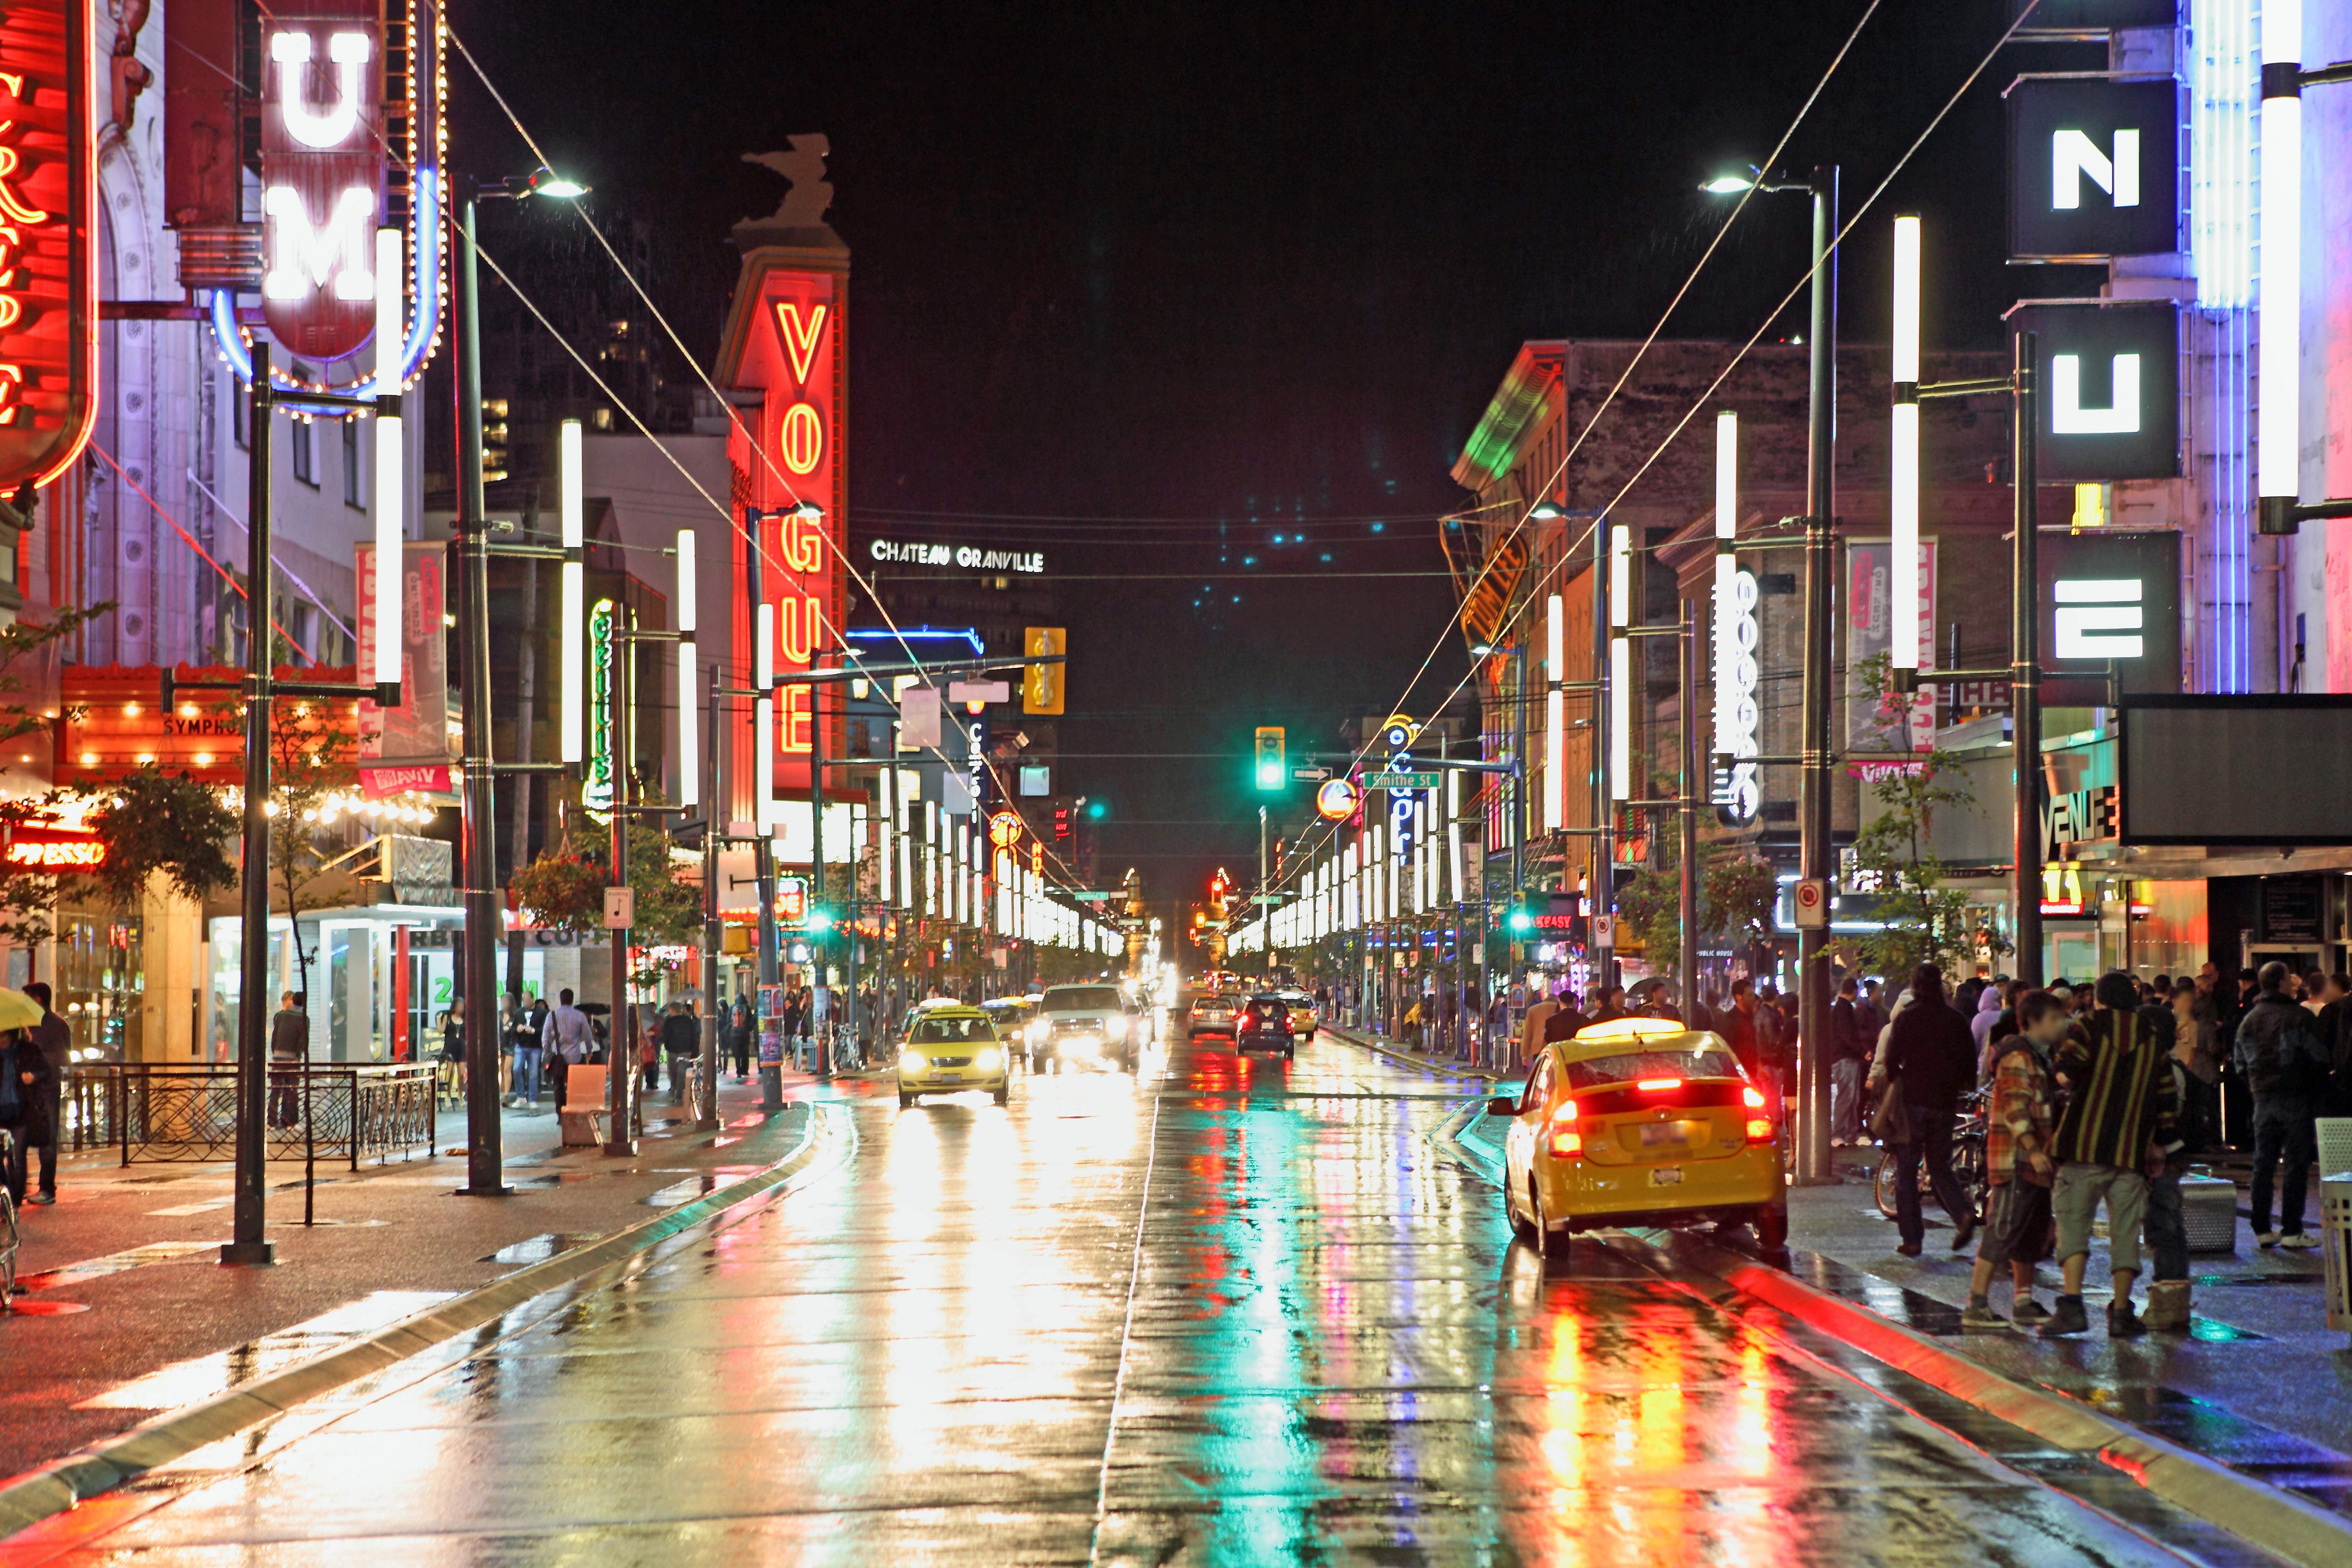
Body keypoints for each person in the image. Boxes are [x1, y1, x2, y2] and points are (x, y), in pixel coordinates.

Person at [2041, 970, 2182, 1339]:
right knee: (2125, 1231)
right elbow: (2166, 1096)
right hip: (2131, 1149)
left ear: (2099, 999)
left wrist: (2065, 1083)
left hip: (2083, 1146)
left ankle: (2072, 1305)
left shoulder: (2088, 1027)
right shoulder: (2151, 1035)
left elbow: (2067, 1070)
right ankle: (2121, 1312)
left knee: (2074, 1222)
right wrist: (2159, 1142)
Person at [1963, 988, 2068, 1330]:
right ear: (2033, 1022)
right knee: (2003, 1228)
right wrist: (2034, 1149)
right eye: (2054, 1019)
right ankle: (1976, 1304)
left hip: (2032, 1161)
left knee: (2030, 1232)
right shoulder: (2019, 1057)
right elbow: (2014, 1105)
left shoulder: (2039, 1057)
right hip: (2017, 1159)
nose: (2061, 1024)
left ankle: (2023, 1301)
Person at [1875, 962, 1979, 1258]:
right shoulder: (1956, 1020)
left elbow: (1892, 1062)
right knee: (1939, 1164)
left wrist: (1901, 1078)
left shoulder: (1907, 1020)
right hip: (1945, 1102)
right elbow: (1969, 1063)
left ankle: (1912, 1239)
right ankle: (1962, 1213)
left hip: (1913, 1101)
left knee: (1907, 1169)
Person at [2233, 960, 2329, 1250]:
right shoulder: (2299, 1018)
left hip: (2263, 1101)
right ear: (2282, 983)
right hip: (2296, 1099)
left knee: (2263, 1164)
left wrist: (2257, 1084)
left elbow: (2240, 1062)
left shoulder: (2250, 1019)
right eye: (2291, 979)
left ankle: (2262, 1228)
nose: (2295, 983)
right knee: (2296, 1165)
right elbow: (2319, 1059)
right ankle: (2291, 1229)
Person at [21, 982, 69, 1205]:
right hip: (27, 1089)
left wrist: (37, 1073)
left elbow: (59, 1058)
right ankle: (19, 1184)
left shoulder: (56, 1025)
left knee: (48, 1138)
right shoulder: (27, 1024)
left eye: (28, 997)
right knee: (19, 1137)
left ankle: (47, 1188)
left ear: (38, 999)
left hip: (47, 1089)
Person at [0, 1022, 56, 1209]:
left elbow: (47, 1071)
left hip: (21, 1112)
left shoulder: (28, 1051)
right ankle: (6, 1195)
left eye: (4, 1036)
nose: (2, 1041)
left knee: (17, 1158)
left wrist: (34, 1076)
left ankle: (14, 1201)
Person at [543, 988, 593, 1110]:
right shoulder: (580, 1016)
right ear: (572, 1000)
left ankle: (561, 1113)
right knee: (574, 1086)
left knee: (558, 1086)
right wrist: (589, 1051)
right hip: (575, 1056)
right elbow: (588, 1036)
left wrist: (546, 1052)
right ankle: (572, 1110)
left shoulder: (552, 1016)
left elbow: (546, 1037)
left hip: (557, 1057)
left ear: (560, 1000)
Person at [1829, 978, 1865, 1145]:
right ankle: (1840, 1134)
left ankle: (1850, 1134)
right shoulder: (1844, 1009)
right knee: (1847, 1097)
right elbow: (1847, 1035)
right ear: (1855, 991)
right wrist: (1861, 1051)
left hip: (1844, 1057)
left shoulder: (1840, 1008)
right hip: (1846, 1058)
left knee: (1850, 1097)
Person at [268, 992, 308, 1129]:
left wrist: (275, 1051)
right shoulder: (304, 1019)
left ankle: (271, 1121)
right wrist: (298, 1056)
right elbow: (303, 1041)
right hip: (292, 1059)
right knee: (291, 1090)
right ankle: (288, 1121)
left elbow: (274, 1037)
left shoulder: (279, 1016)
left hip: (278, 1057)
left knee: (276, 1089)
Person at [505, 991, 542, 1107]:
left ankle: (533, 1099)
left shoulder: (541, 1013)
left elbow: (545, 1029)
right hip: (521, 1045)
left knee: (533, 1073)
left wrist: (534, 1030)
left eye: (527, 1000)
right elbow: (513, 1030)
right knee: (516, 1069)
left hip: (535, 1047)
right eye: (523, 1000)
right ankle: (521, 1097)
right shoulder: (519, 1013)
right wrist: (517, 1029)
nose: (525, 1002)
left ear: (533, 999)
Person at [662, 999, 701, 1096]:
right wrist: (695, 1051)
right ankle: (679, 1094)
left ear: (672, 1010)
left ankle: (675, 1089)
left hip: (673, 1051)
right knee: (681, 1073)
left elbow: (666, 1036)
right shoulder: (689, 1021)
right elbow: (694, 1036)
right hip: (686, 1051)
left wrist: (667, 1045)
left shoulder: (669, 1022)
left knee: (673, 1072)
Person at [728, 994, 753, 1080]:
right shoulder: (747, 1008)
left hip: (734, 1035)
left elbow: (728, 1021)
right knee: (745, 1053)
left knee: (737, 1054)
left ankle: (738, 1071)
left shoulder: (732, 1008)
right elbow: (750, 1022)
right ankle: (745, 1070)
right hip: (744, 1034)